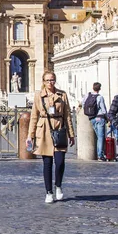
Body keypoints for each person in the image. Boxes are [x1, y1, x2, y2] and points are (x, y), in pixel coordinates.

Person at [26, 70, 75, 204]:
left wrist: (71, 134)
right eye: (47, 80)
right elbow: (34, 117)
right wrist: (30, 135)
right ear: (43, 82)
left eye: (52, 80)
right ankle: (49, 192)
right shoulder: (38, 96)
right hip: (44, 131)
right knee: (47, 163)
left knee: (60, 162)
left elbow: (68, 115)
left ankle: (58, 185)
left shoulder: (62, 95)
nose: (50, 82)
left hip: (59, 129)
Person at [81, 82, 108, 161]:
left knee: (97, 136)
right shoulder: (100, 97)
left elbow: (83, 104)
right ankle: (100, 155)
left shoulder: (87, 95)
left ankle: (100, 153)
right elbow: (103, 109)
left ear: (93, 87)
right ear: (99, 88)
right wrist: (107, 117)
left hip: (92, 118)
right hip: (100, 118)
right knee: (100, 137)